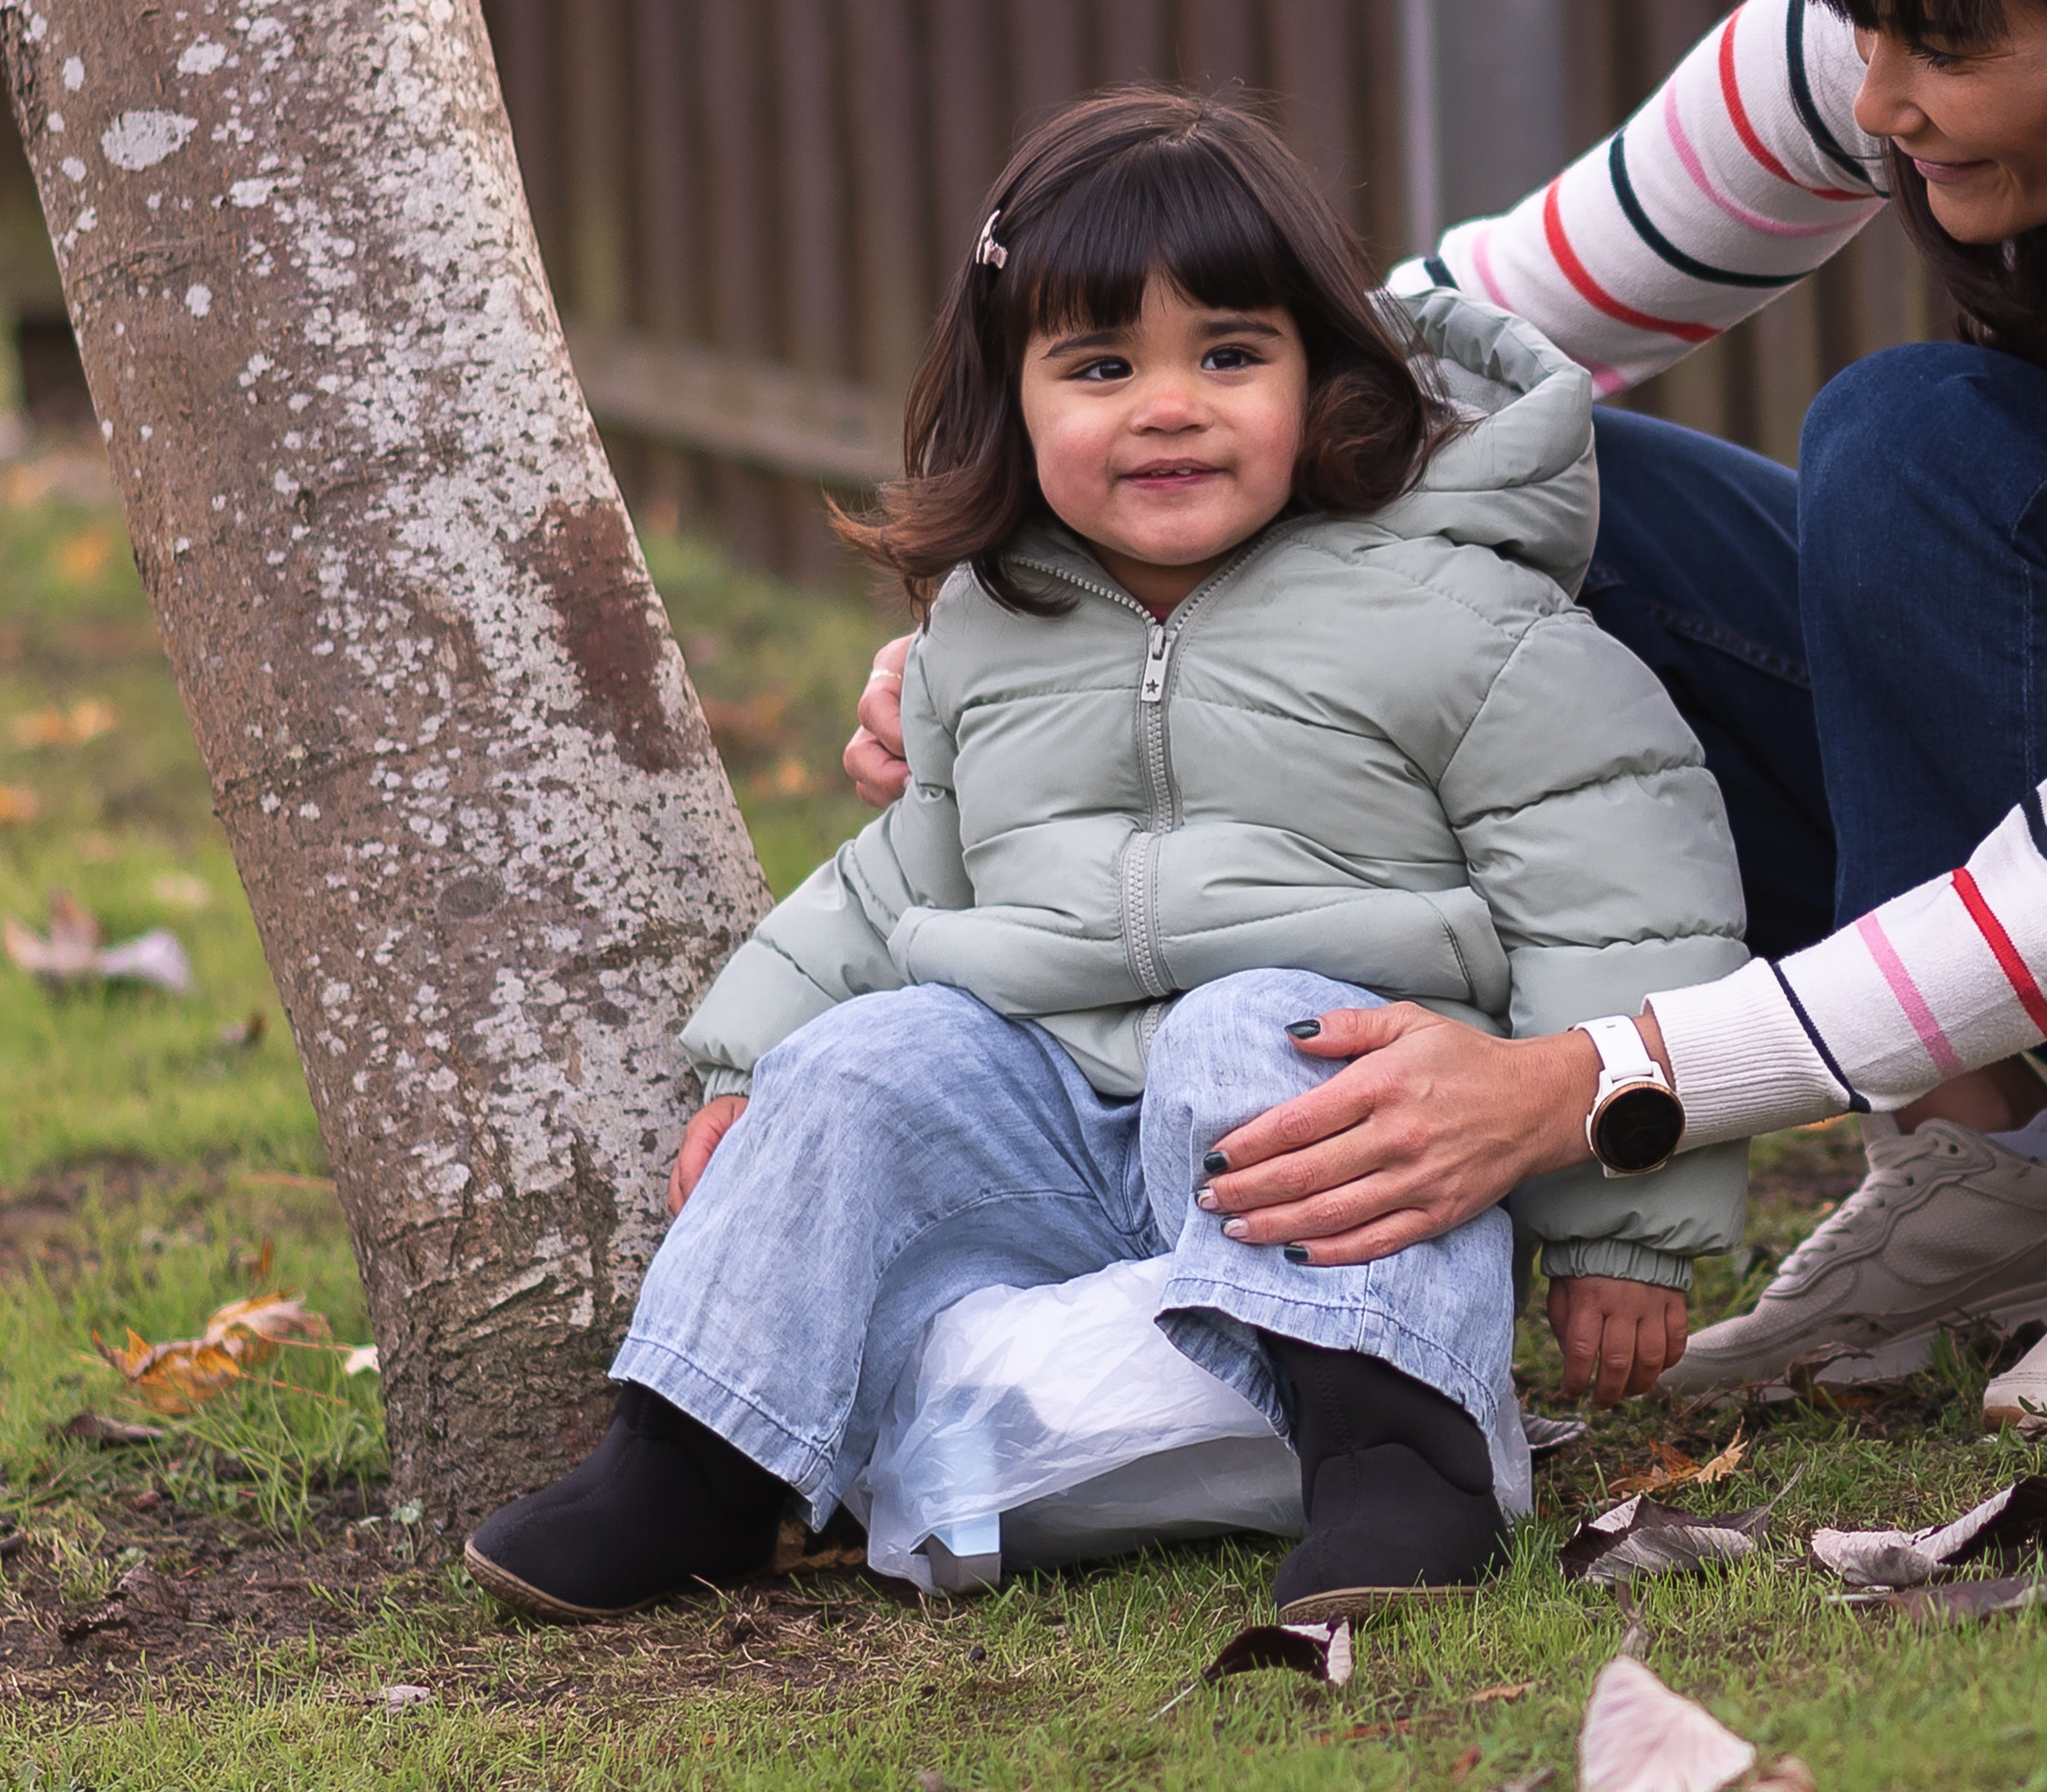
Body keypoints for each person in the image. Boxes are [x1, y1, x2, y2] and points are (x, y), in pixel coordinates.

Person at [465, 87, 1747, 1628]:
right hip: (1060, 1134)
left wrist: (1627, 1214)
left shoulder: (1457, 612)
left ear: (1321, 373)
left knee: (1255, 1024)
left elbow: (1622, 896)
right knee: (878, 1055)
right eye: (1099, 365)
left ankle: (1401, 1458)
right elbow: (904, 878)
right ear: (1014, 401)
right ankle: (703, 1458)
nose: (1168, 404)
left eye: (1228, 354)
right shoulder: (992, 630)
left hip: (1330, 1143)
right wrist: (757, 1060)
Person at [845, 0, 2047, 1414]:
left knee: (1897, 435)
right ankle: (1995, 1179)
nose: (1877, 96)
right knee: (1537, 488)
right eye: (1869, 33)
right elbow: (1386, 361)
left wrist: (1591, 1084)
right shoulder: (1861, 58)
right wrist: (1024, 622)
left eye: (1950, 53)